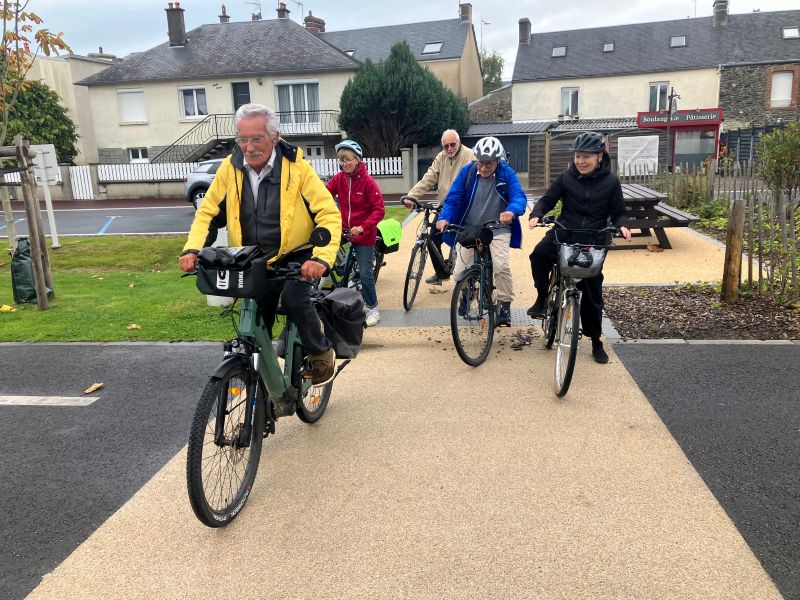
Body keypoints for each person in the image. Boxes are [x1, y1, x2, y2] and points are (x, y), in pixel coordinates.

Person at [178, 103, 342, 414]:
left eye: (256, 139)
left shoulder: (297, 168)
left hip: (298, 254)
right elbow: (208, 212)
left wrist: (321, 258)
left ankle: (321, 353)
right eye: (242, 139)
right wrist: (192, 248)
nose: (248, 148)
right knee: (255, 326)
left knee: (295, 300)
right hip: (253, 259)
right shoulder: (230, 167)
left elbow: (329, 214)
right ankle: (261, 382)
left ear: (275, 137)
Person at [527, 131, 632, 364]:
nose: (580, 161)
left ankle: (596, 341)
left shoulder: (611, 182)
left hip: (594, 240)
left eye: (586, 157)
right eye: (577, 156)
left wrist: (623, 226)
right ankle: (543, 297)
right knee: (539, 254)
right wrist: (537, 214)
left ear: (600, 157)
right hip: (565, 232)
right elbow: (548, 200)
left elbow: (619, 213)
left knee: (592, 291)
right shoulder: (566, 178)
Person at [435, 136, 528, 327]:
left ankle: (504, 305)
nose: (483, 168)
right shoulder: (467, 172)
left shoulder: (506, 173)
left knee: (501, 265)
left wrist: (511, 211)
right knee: (460, 272)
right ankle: (466, 293)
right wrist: (445, 217)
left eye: (488, 164)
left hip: (497, 227)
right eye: (480, 163)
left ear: (498, 161)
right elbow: (453, 199)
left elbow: (519, 196)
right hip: (470, 227)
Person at [403, 129, 476, 284]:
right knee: (433, 239)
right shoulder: (441, 157)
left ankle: (468, 277)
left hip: (464, 207)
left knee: (462, 242)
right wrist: (412, 195)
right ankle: (442, 273)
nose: (449, 149)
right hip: (445, 207)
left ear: (459, 142)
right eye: (445, 146)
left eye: (452, 145)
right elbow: (429, 178)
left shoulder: (470, 156)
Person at [325, 139, 385, 327]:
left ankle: (373, 308)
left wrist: (363, 227)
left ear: (357, 159)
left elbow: (379, 210)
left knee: (366, 272)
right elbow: (325, 195)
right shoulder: (339, 178)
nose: (345, 164)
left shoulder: (368, 182)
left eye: (348, 159)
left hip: (363, 235)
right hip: (343, 230)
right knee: (321, 252)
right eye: (342, 160)